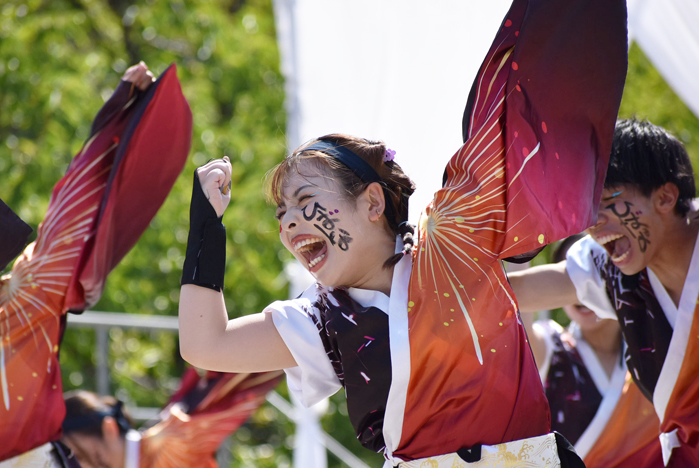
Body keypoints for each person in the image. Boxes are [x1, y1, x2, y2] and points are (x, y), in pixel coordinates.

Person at [178, 0, 628, 466]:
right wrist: (206, 226)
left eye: (305, 201)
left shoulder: (456, 240)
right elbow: (205, 344)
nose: (289, 222)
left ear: (372, 202)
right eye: (282, 214)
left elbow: (510, 121)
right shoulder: (323, 319)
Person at [0, 62, 192, 467]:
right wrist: (114, 129)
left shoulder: (16, 310)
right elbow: (63, 234)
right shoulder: (17, 310)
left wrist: (115, 128)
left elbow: (62, 234)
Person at [509, 118, 699, 466]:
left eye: (608, 200)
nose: (592, 224)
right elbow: (515, 291)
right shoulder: (610, 268)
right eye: (587, 208)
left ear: (665, 197)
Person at [518, 235, 663, 467]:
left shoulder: (654, 345)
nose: (579, 289)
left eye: (587, 276)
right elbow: (519, 323)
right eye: (566, 277)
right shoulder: (552, 348)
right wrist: (519, 248)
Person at [61, 368, 283, 468]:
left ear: (109, 427)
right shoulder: (165, 435)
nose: (81, 465)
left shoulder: (174, 438)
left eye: (80, 453)